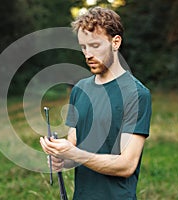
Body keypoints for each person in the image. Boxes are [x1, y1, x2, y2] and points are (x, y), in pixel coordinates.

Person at [40, 6, 152, 199]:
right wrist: (60, 158)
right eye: (84, 47)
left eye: (95, 46)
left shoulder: (136, 94)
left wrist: (73, 153)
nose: (87, 54)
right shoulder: (80, 90)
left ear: (115, 42)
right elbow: (74, 146)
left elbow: (126, 165)